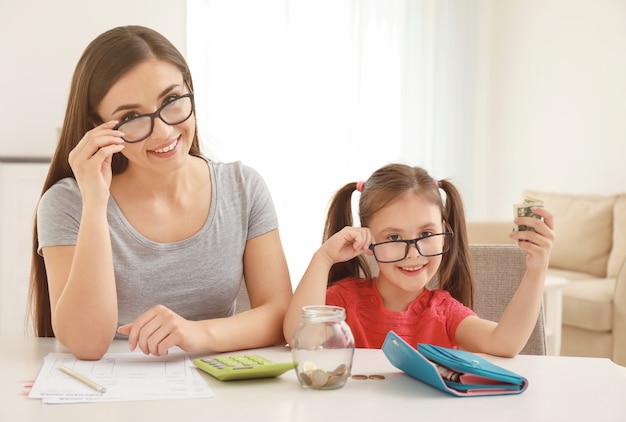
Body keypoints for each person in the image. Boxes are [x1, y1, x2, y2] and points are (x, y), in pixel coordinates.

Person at [29, 25, 292, 360]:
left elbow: (280, 314)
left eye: (171, 100)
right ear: (99, 128)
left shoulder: (243, 187)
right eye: (132, 117)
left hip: (218, 392)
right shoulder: (67, 203)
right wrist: (95, 204)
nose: (164, 131)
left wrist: (195, 333)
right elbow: (87, 344)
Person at [283, 163, 554, 357]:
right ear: (367, 242)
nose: (413, 252)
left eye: (426, 233)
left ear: (445, 234)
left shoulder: (443, 312)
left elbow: (504, 343)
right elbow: (300, 338)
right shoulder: (344, 301)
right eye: (393, 237)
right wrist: (324, 257)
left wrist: (536, 270)